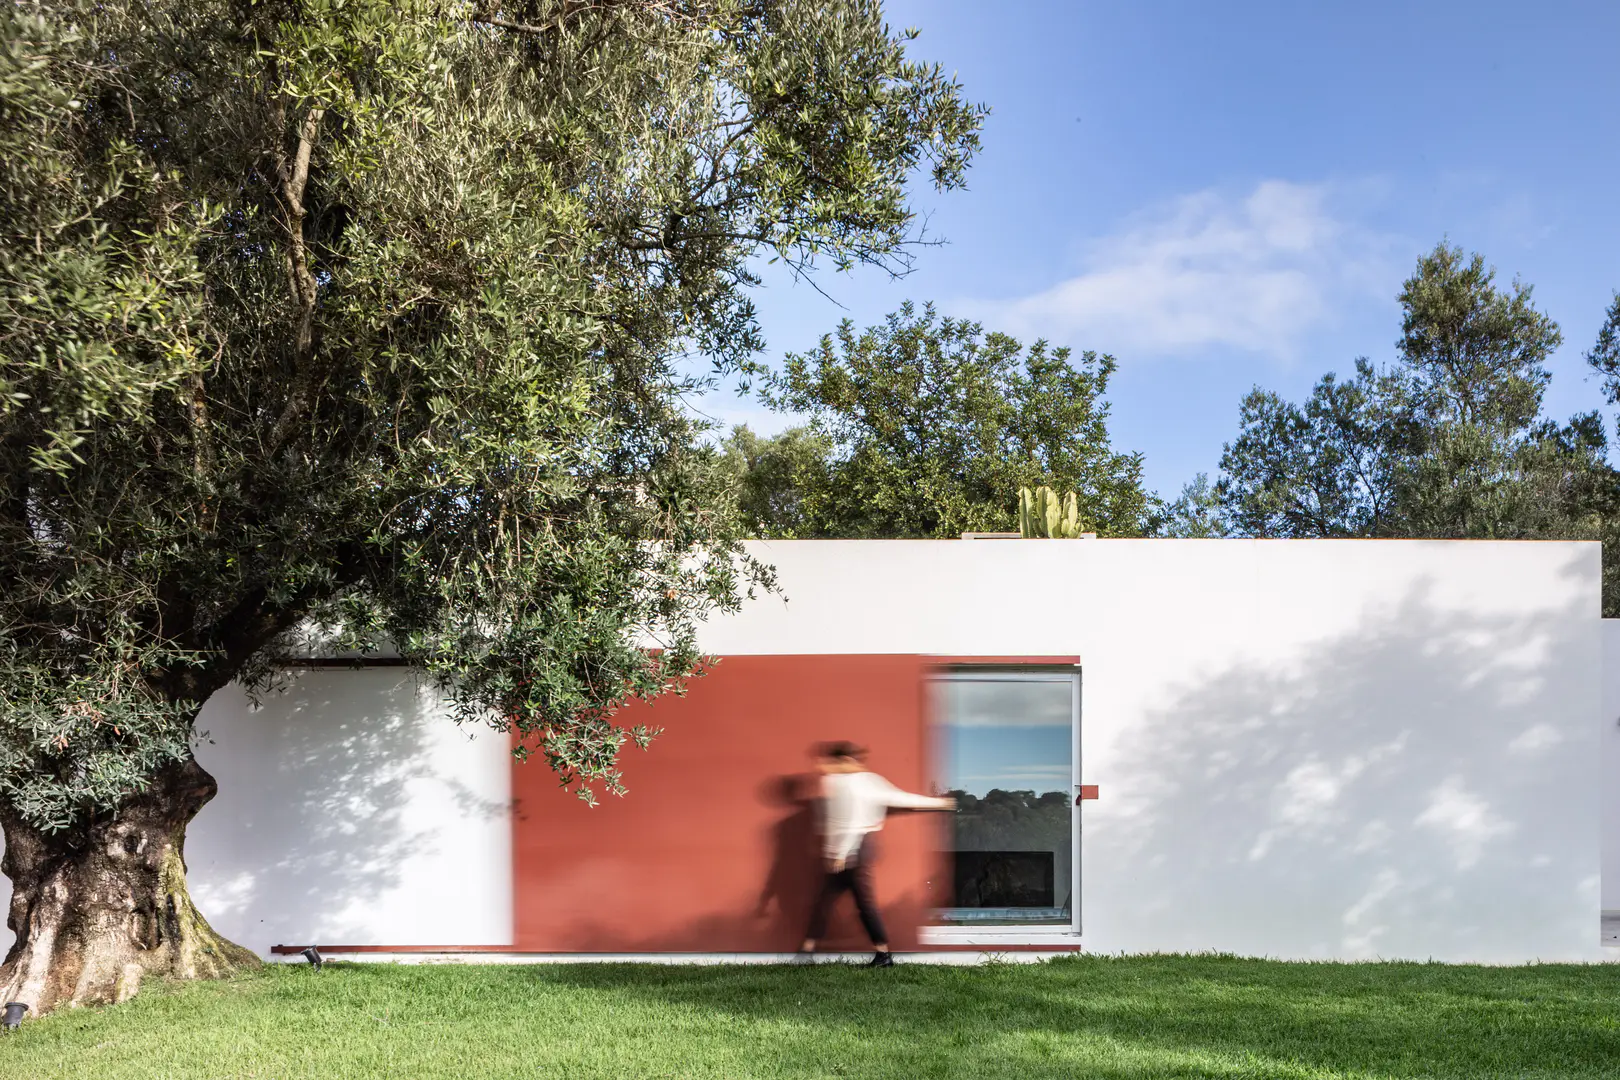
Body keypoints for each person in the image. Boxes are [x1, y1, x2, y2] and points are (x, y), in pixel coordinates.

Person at [799, 741, 956, 967]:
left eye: (828, 761)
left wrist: (940, 804)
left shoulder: (863, 783)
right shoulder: (833, 782)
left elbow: (860, 820)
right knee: (825, 902)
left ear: (844, 761)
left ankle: (882, 954)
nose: (823, 766)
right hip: (840, 852)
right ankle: (808, 950)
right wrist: (831, 851)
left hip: (857, 849)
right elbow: (833, 822)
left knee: (863, 904)